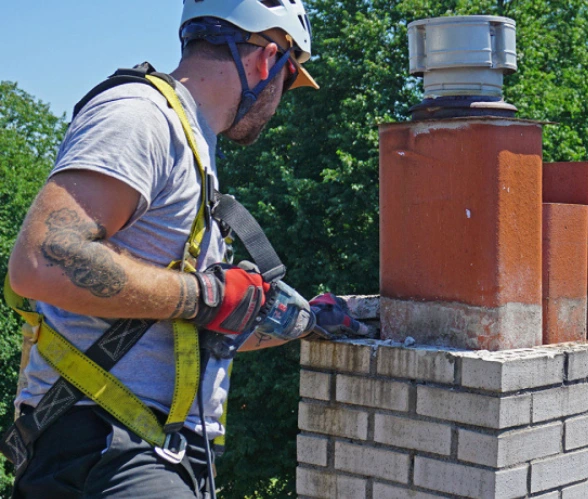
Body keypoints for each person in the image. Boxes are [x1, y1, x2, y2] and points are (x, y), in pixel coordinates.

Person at [4, 1, 364, 497]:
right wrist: (207, 296)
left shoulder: (194, 145)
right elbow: (42, 260)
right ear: (268, 60)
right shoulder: (141, 118)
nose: (281, 99)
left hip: (141, 447)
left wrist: (299, 318)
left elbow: (185, 312)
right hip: (102, 443)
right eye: (289, 78)